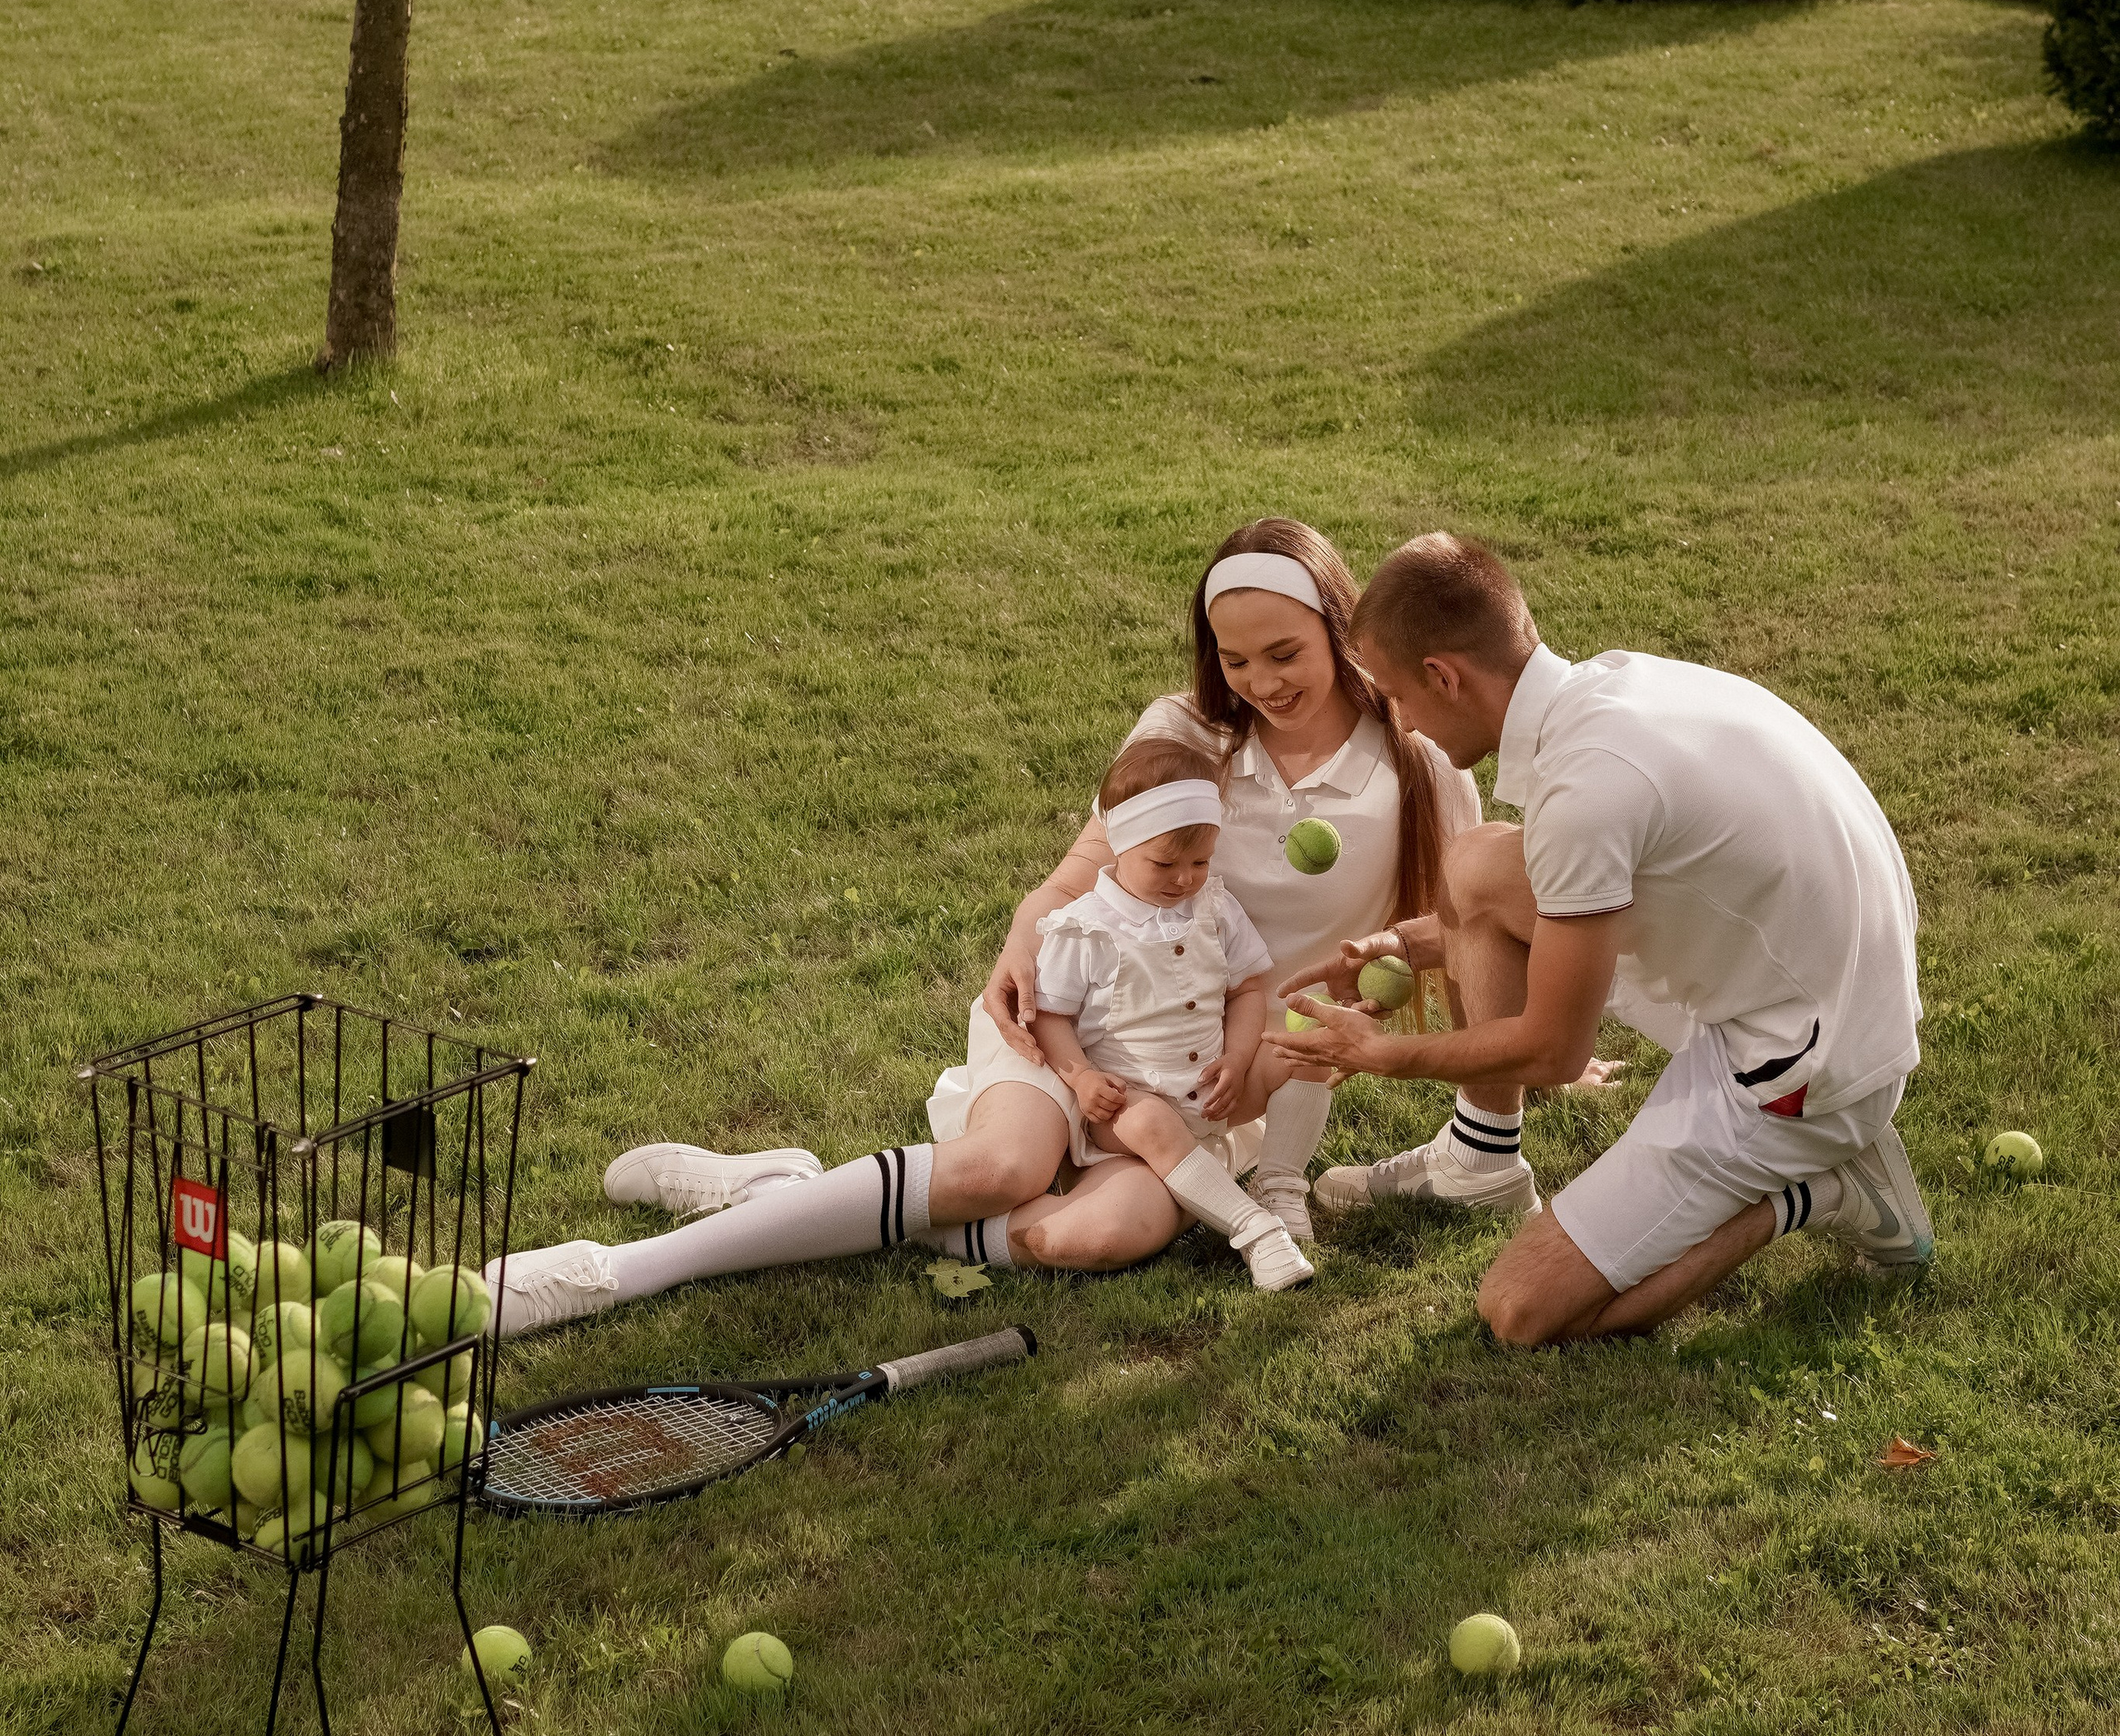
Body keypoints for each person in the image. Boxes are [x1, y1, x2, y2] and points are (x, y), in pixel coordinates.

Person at [483, 518, 1480, 1334]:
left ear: (1341, 633)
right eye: (1236, 658)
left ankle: (781, 1193)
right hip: (1077, 1015)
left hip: (1209, 1076)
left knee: (1106, 1232)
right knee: (999, 1171)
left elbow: (1459, 931)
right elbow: (1071, 884)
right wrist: (1022, 932)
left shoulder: (1420, 770)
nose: (1262, 681)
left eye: (1285, 653)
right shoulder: (1182, 736)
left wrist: (1473, 1037)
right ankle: (619, 1271)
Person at [1272, 533, 1931, 1345]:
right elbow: (1548, 899)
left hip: (1801, 1072)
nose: (1400, 724)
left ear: (1445, 675)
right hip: (1822, 981)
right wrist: (1410, 948)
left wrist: (1384, 1056)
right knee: (1477, 866)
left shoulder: (1586, 790)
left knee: (1520, 1311)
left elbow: (1551, 1051)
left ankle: (1826, 1189)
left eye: (1399, 698)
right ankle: (1479, 1162)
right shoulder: (1614, 685)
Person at [1026, 736, 1308, 1294]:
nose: (1184, 879)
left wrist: (1238, 1057)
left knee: (1303, 1054)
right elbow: (1050, 1016)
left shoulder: (1214, 907)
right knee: (1152, 1122)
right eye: (1164, 863)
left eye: (1200, 861)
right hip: (1126, 1104)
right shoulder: (1085, 927)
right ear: (1122, 846)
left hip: (1211, 1089)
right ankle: (1256, 1233)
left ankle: (1280, 1185)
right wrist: (1081, 1078)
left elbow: (1249, 988)